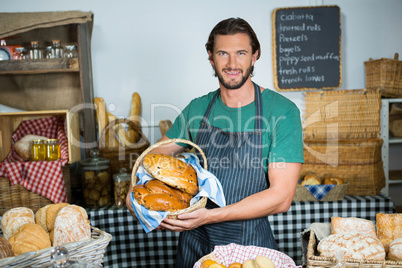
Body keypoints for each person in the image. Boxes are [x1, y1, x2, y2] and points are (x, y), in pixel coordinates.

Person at [126, 17, 304, 267]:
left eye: (241, 53)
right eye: (223, 53)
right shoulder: (198, 108)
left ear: (255, 56)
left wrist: (209, 216)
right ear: (211, 57)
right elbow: (151, 160)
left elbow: (281, 197)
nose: (232, 64)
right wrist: (135, 190)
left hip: (250, 250)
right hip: (194, 246)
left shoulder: (281, 112)